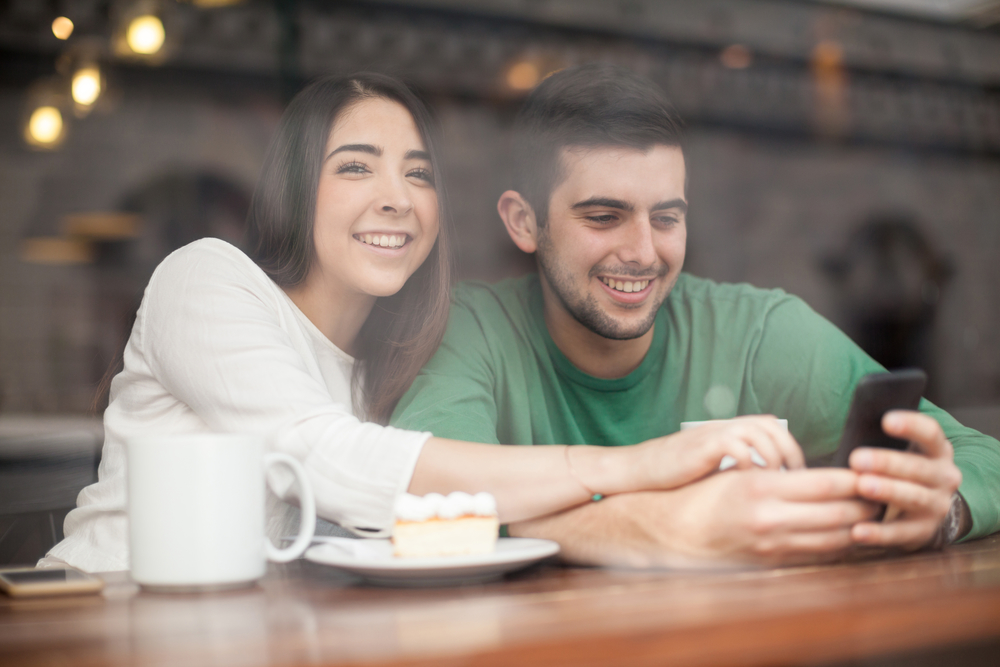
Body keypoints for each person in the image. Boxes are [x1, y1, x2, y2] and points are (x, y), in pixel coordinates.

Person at [42, 73, 794, 573]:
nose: (398, 197)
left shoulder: (397, 359)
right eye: (357, 166)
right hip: (98, 617)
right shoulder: (204, 276)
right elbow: (328, 459)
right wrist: (641, 463)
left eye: (419, 172)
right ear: (294, 190)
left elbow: (446, 513)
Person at [391, 64, 1000, 568]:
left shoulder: (760, 333)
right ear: (524, 222)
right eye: (603, 217)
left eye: (666, 217)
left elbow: (981, 456)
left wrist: (942, 509)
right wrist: (674, 527)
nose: (643, 251)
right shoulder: (470, 328)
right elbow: (431, 502)